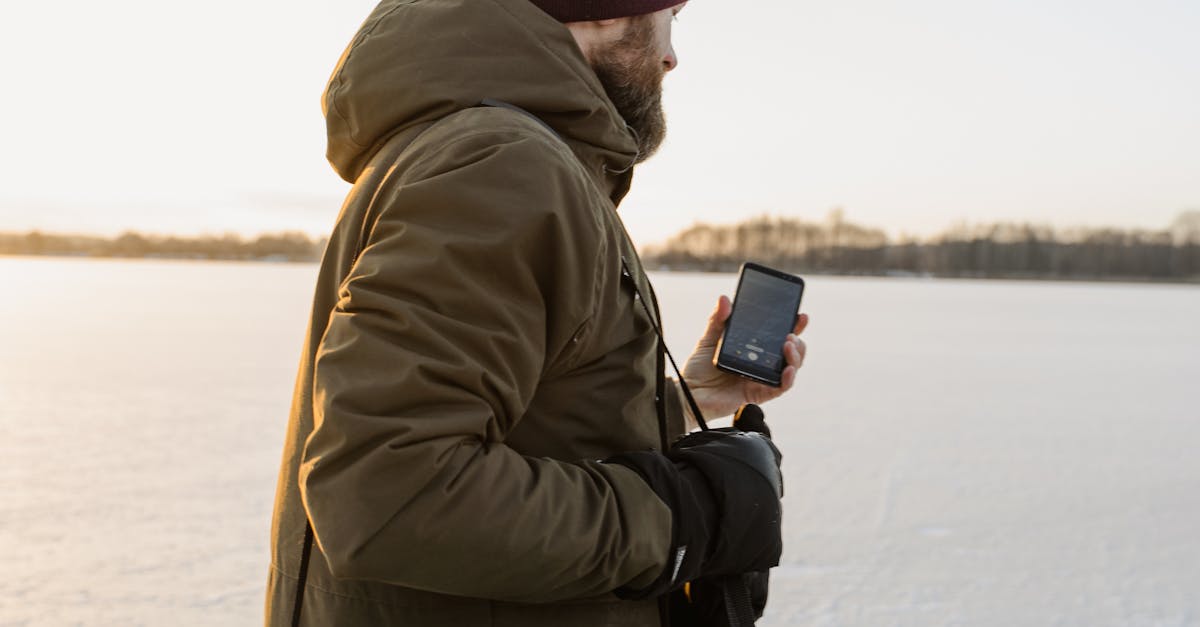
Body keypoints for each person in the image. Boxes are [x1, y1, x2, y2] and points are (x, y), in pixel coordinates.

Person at [264, 0, 810, 625]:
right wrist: (686, 518)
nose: (671, 56)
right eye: (670, 18)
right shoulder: (503, 165)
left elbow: (515, 417)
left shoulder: (488, 152)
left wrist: (690, 399)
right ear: (603, 13)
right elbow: (390, 498)